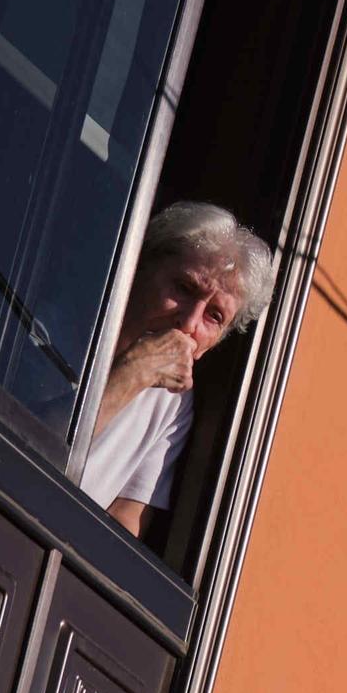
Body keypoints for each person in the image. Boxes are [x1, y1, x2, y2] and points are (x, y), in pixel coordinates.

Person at [81, 202, 275, 536]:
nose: (188, 323)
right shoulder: (62, 321)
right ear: (139, 268)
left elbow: (126, 517)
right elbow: (27, 450)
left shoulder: (174, 402)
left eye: (213, 316)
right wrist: (131, 375)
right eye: (184, 289)